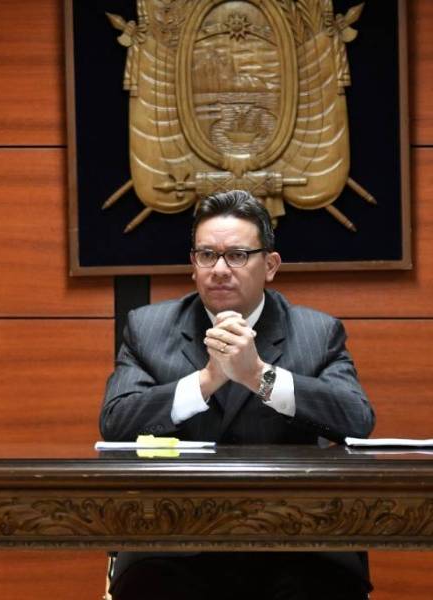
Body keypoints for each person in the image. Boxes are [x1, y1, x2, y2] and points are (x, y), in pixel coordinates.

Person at [100, 190, 375, 600]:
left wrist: (259, 376)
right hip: (176, 536)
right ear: (193, 265)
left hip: (295, 536)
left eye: (238, 255)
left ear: (270, 265)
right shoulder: (148, 328)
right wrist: (207, 380)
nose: (219, 269)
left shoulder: (317, 332)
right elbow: (116, 423)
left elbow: (357, 420)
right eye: (207, 255)